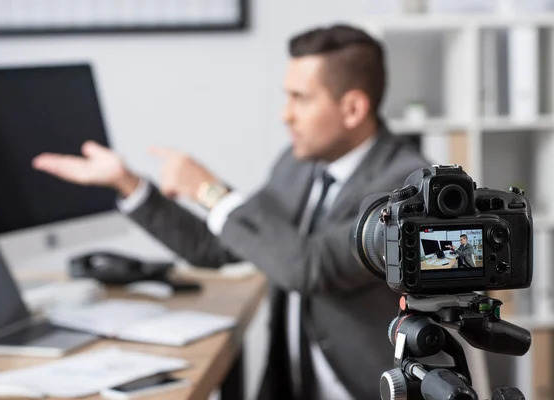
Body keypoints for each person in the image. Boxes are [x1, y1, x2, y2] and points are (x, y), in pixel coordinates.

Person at [32, 25, 429, 400]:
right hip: (289, 385)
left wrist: (211, 192)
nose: (284, 115)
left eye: (300, 99)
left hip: (363, 389)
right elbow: (218, 246)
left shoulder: (406, 187)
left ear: (353, 108)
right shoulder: (299, 165)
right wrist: (128, 185)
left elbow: (310, 267)